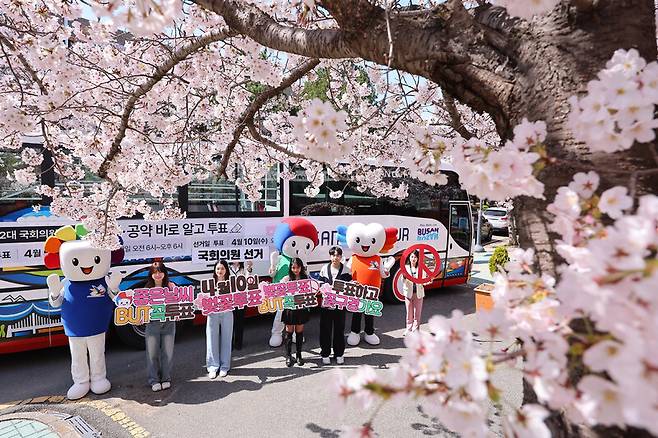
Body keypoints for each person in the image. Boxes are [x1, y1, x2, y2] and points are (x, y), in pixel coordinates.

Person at [144, 261, 176, 392]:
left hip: (169, 323)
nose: (157, 275)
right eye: (154, 272)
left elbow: (179, 303)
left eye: (160, 272)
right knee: (152, 353)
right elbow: (142, 309)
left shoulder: (171, 286)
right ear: (151, 275)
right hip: (152, 324)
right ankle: (154, 380)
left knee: (168, 352)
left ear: (165, 273)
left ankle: (166, 378)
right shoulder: (146, 290)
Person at [317, 246, 351, 365]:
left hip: (340, 305)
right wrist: (324, 289)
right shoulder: (324, 269)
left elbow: (350, 287)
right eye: (333, 255)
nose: (335, 258)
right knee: (325, 329)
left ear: (341, 257)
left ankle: (339, 354)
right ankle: (325, 353)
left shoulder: (346, 270)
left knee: (339, 329)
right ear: (330, 256)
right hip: (326, 305)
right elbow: (320, 284)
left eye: (337, 255)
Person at [206, 259, 234, 379]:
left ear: (226, 270)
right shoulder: (209, 283)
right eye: (218, 268)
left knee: (226, 339)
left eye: (222, 268)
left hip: (227, 312)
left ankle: (224, 366)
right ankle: (213, 366)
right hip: (213, 313)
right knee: (212, 339)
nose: (220, 271)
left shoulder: (231, 283)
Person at [281, 258, 310, 367]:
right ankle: (288, 356)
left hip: (301, 309)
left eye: (297, 267)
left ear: (301, 268)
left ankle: (299, 355)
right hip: (289, 309)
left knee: (299, 332)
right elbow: (278, 291)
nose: (295, 270)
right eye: (293, 267)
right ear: (290, 268)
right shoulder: (286, 279)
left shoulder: (305, 278)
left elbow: (310, 292)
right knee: (289, 332)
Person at [402, 250, 429, 335]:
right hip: (408, 293)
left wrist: (428, 281)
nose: (413, 259)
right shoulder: (405, 268)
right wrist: (405, 279)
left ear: (418, 259)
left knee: (417, 313)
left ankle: (416, 330)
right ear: (409, 258)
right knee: (409, 313)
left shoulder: (421, 268)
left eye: (415, 257)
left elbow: (423, 281)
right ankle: (408, 329)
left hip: (419, 293)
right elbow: (402, 280)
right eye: (412, 257)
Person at [228, 261, 250, 350]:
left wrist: (249, 269)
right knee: (229, 323)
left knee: (239, 322)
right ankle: (229, 343)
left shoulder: (243, 268)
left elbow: (249, 279)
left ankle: (238, 343)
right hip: (230, 299)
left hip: (241, 298)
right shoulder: (227, 267)